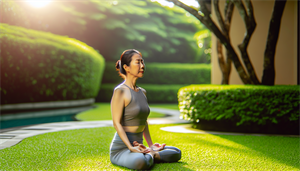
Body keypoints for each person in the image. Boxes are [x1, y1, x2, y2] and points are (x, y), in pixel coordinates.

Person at [109, 49, 182, 170]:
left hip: (140, 146)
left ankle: (150, 153)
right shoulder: (120, 91)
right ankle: (150, 156)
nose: (142, 66)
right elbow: (116, 124)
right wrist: (131, 147)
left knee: (176, 152)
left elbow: (144, 122)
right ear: (126, 67)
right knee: (140, 163)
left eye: (142, 62)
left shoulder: (142, 92)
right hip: (122, 148)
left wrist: (151, 145)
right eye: (138, 62)